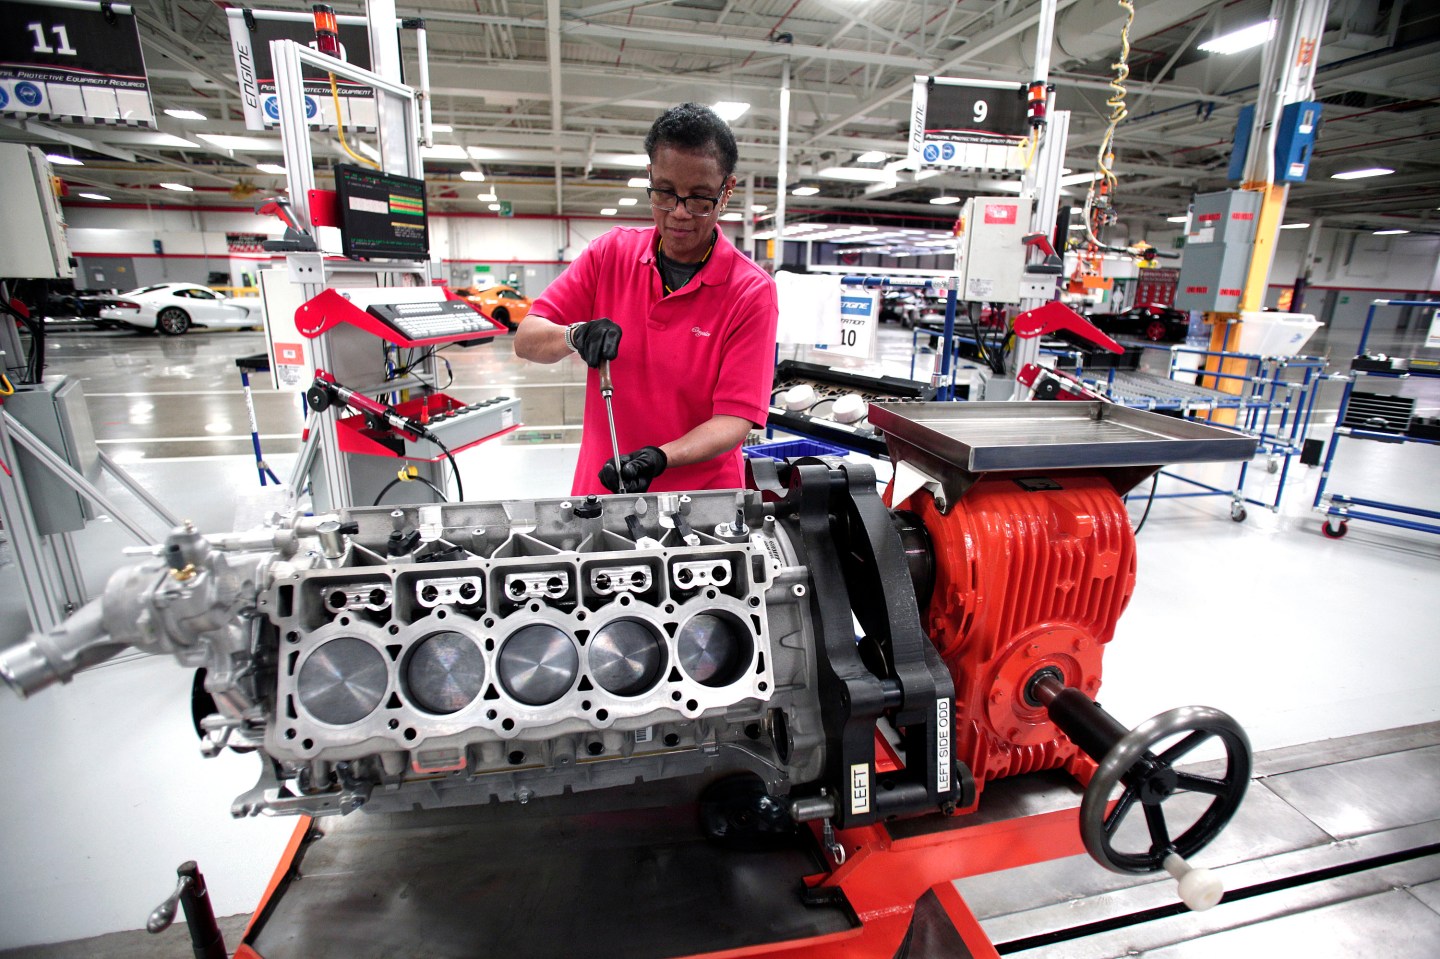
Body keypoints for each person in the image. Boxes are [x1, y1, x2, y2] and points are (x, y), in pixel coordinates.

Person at [514, 103, 779, 496]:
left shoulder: (750, 291)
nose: (679, 213)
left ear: (727, 192)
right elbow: (526, 339)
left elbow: (734, 418)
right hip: (603, 489)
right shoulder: (609, 255)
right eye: (665, 194)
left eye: (700, 199)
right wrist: (575, 335)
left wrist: (660, 457)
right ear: (650, 178)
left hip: (703, 503)